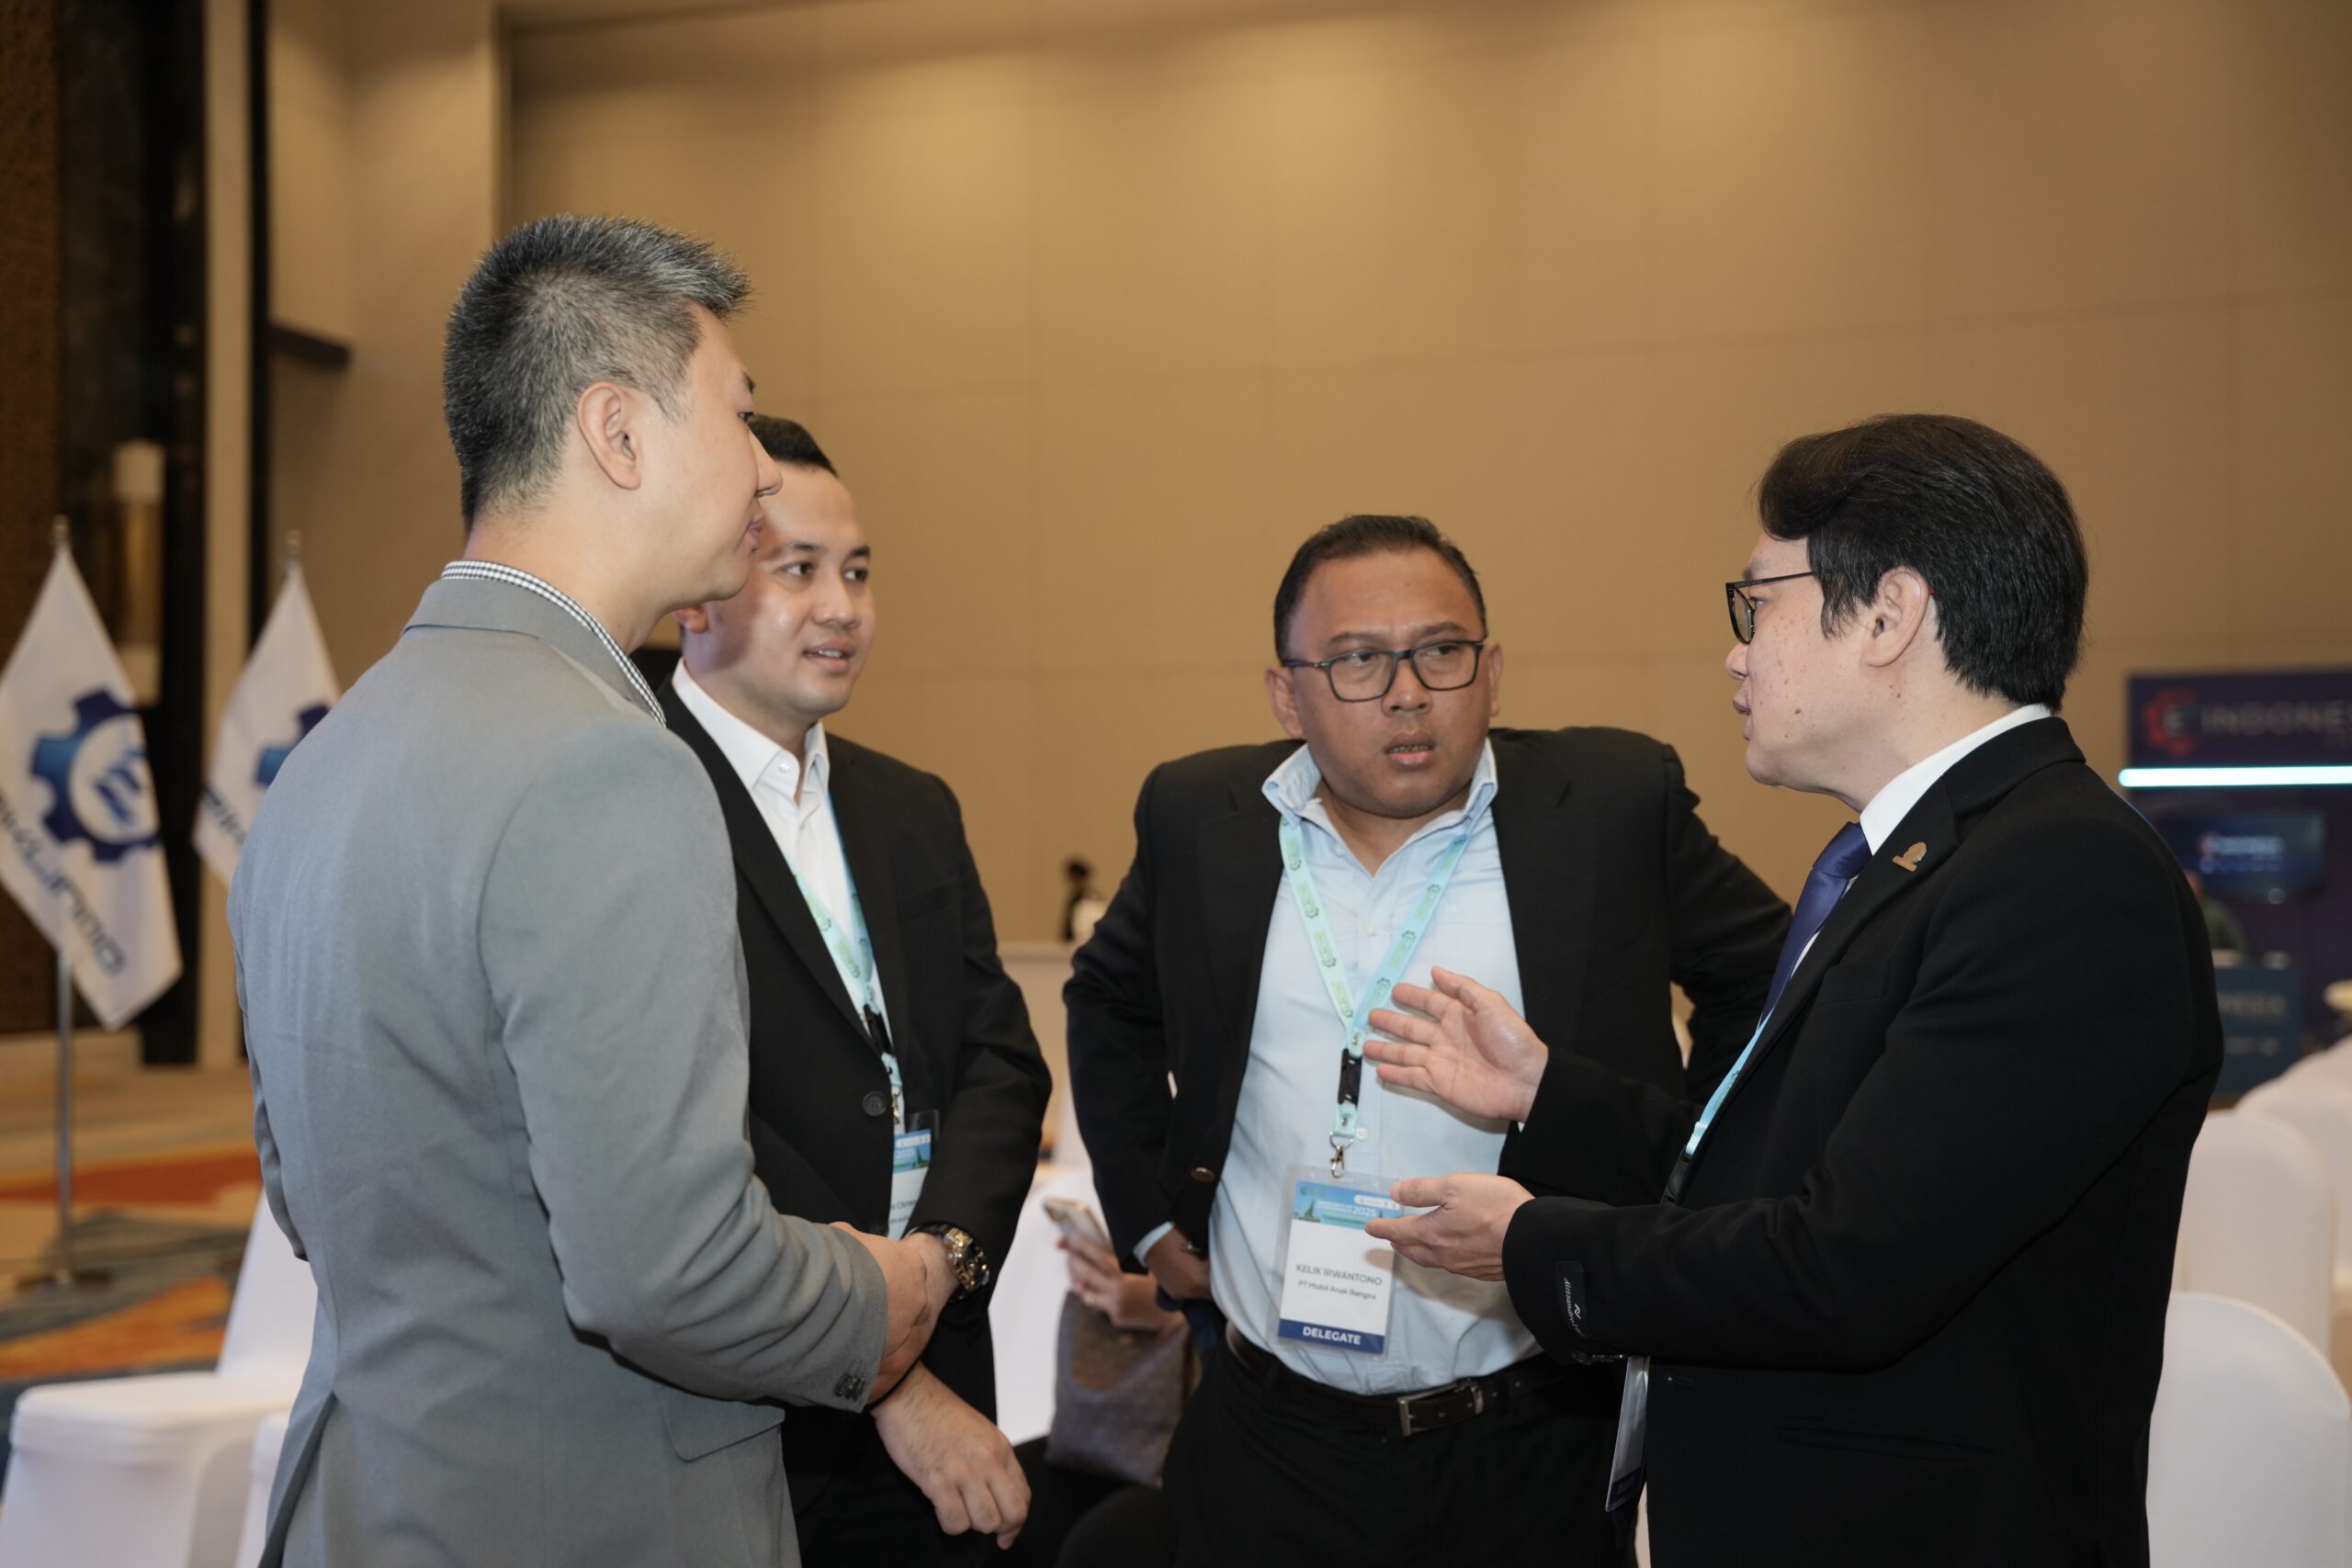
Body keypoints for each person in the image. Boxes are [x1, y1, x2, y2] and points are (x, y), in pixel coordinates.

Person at [1364, 414, 2224, 1568]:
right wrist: (1547, 1095)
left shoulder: (2060, 874)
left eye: (1757, 603)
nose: (1736, 654)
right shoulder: (1919, 861)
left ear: (1888, 613)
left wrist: (1533, 1243)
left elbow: (1849, 1265)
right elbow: (1784, 1176)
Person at [232, 216, 937, 1568]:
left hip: (371, 1504)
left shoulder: (326, 758)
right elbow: (667, 1271)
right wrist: (878, 1289)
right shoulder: (610, 765)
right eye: (738, 413)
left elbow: (311, 1196)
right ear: (617, 433)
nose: (763, 467)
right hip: (582, 1515)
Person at [1064, 514, 1788, 1567]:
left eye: (1440, 652)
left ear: (1490, 672)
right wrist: (1146, 1220)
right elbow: (1107, 1000)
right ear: (1287, 694)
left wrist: (1688, 1175)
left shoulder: (1610, 806)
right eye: (1357, 660)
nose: (1407, 694)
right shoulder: (1198, 817)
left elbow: (1768, 985)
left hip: (1533, 1435)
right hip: (1269, 1436)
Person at [663, 415, 1051, 1560]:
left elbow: (998, 1059)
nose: (842, 607)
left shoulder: (911, 807)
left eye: (859, 571)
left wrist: (939, 1265)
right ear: (697, 595)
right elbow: (692, 1130)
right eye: (797, 570)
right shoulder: (634, 799)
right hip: (741, 1418)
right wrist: (880, 1362)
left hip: (940, 1358)